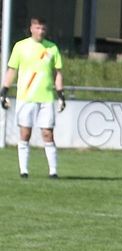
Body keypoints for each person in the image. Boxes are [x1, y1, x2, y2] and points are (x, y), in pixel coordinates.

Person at [1, 17, 66, 179]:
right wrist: (4, 91)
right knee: (25, 133)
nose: (40, 31)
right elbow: (12, 70)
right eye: (37, 28)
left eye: (43, 28)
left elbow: (57, 73)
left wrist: (61, 95)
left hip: (46, 98)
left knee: (47, 133)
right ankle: (24, 171)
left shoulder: (52, 49)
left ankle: (53, 171)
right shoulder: (21, 47)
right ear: (31, 28)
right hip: (26, 97)